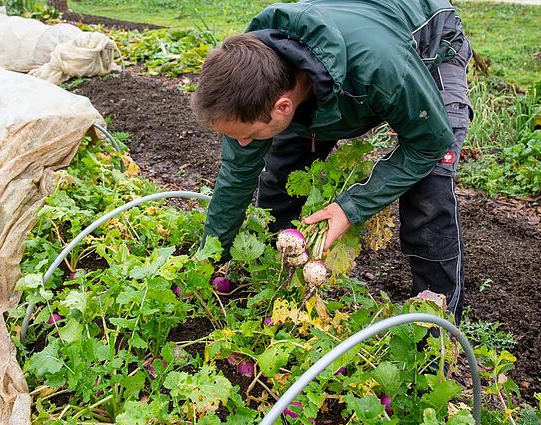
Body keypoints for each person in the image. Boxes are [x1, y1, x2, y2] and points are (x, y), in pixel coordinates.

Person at [190, 0, 472, 323]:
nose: (241, 143)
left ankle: (436, 334)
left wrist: (350, 207)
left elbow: (428, 144)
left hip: (427, 42)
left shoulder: (382, 68)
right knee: (282, 180)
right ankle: (276, 283)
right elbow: (236, 176)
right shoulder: (251, 75)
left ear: (283, 107)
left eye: (247, 135)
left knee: (427, 193)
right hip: (340, 64)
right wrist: (206, 264)